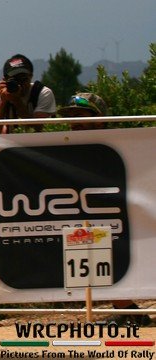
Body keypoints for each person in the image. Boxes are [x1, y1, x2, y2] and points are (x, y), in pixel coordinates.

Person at [58, 92, 152, 327]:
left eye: (79, 115)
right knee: (93, 255)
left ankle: (128, 311)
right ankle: (127, 310)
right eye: (70, 116)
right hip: (97, 214)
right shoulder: (66, 146)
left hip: (132, 211)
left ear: (99, 120)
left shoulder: (118, 144)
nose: (73, 122)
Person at [0, 54, 56, 134]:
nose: (20, 84)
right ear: (4, 80)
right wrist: (3, 101)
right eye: (14, 80)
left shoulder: (42, 93)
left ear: (31, 76)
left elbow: (38, 128)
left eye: (23, 79)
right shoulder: (1, 93)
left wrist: (17, 101)